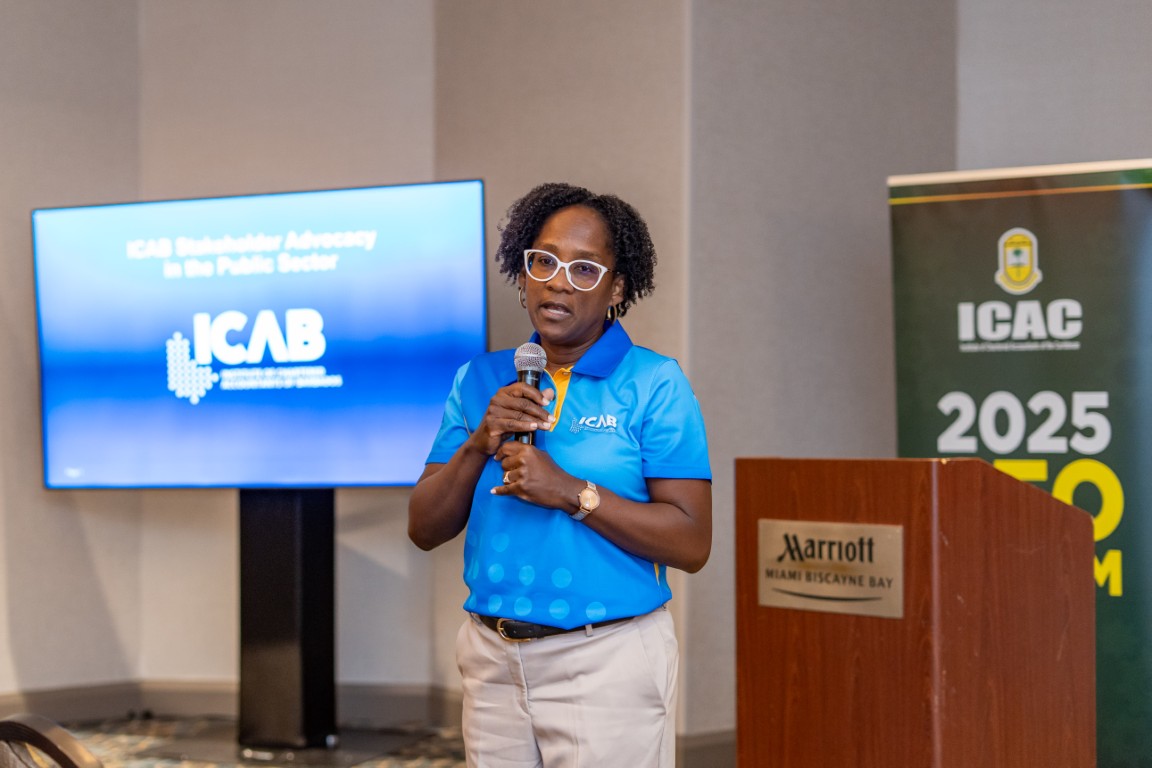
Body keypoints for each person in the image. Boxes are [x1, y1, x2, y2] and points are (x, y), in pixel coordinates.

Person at [408, 182, 712, 768]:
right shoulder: (480, 379)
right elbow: (424, 528)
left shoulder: (654, 383)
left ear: (616, 288)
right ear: (523, 272)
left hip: (606, 658)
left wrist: (572, 493)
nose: (557, 281)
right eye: (543, 261)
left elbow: (691, 542)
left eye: (584, 269)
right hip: (491, 656)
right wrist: (479, 442)